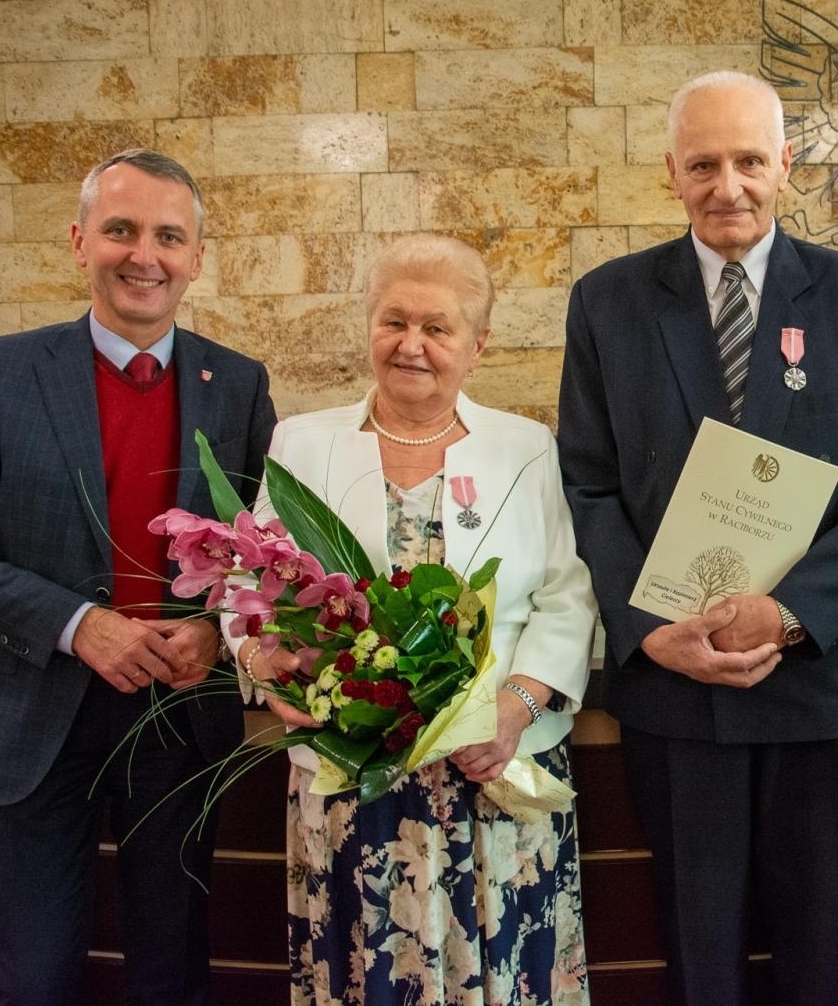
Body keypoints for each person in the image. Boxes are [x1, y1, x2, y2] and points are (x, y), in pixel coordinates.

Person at [557, 69, 838, 1006]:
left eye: (750, 161)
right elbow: (590, 485)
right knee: (699, 953)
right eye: (705, 164)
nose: (729, 186)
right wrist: (649, 628)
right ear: (670, 174)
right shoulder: (608, 302)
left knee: (820, 957)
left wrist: (790, 610)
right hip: (677, 691)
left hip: (822, 689)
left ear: (786, 166)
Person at [0, 148, 275, 1005]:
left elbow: (265, 555)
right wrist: (81, 624)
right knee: (30, 981)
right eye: (120, 229)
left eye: (167, 236)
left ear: (194, 257)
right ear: (80, 242)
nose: (142, 254)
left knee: (170, 976)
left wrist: (215, 628)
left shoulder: (241, 385)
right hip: (31, 723)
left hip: (179, 725)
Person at [236, 233, 596, 1006]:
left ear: (478, 345)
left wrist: (515, 708)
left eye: (438, 327)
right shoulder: (302, 443)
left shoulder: (528, 449)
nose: (412, 345)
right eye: (393, 321)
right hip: (353, 786)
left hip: (493, 776)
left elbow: (569, 596)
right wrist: (263, 664)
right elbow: (251, 585)